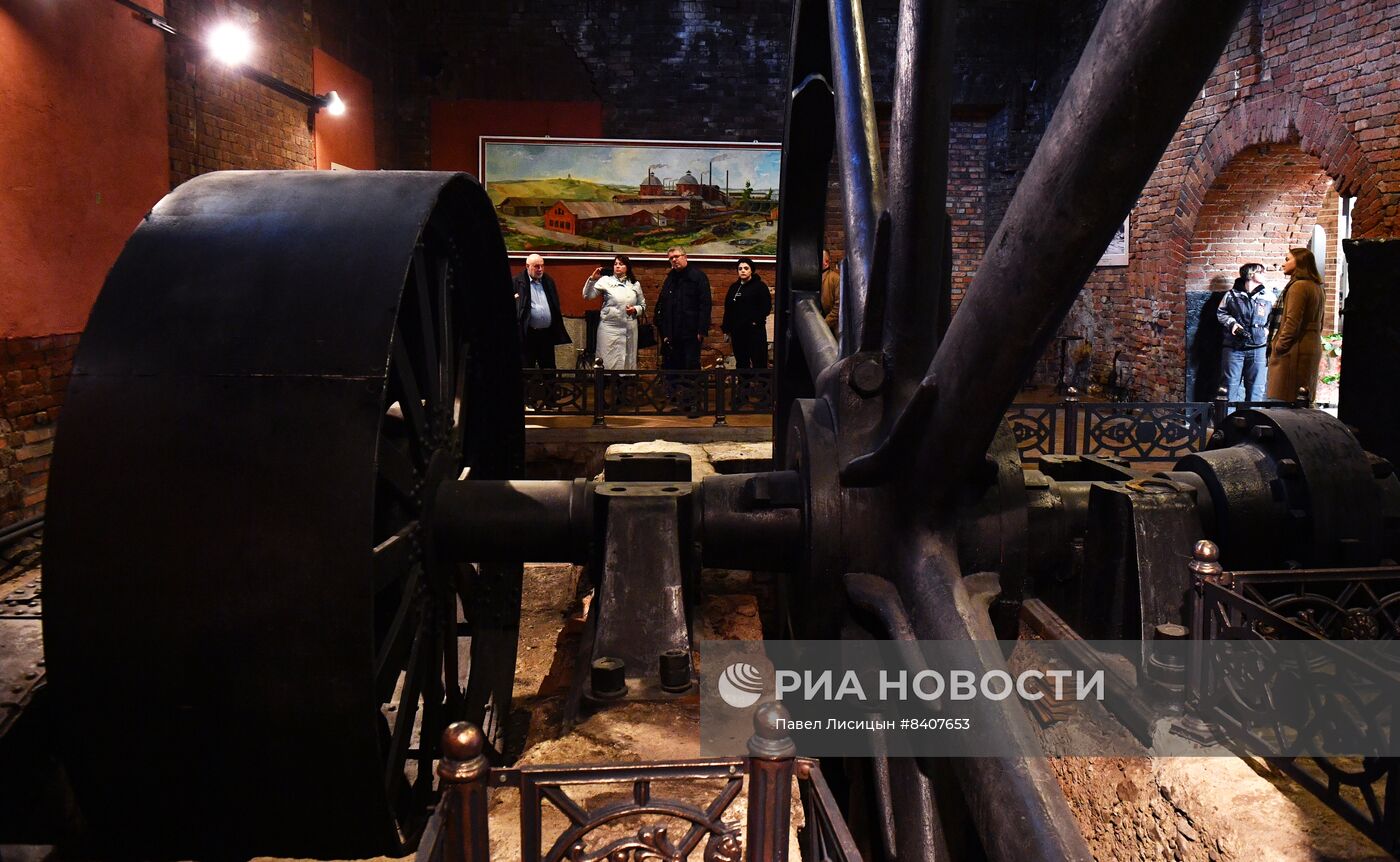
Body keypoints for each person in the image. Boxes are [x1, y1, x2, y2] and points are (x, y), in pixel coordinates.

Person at [1266, 247, 1326, 403]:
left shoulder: (1299, 286)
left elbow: (1292, 322)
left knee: (1286, 400)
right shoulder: (1317, 287)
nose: (1283, 264)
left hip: (1295, 349)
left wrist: (1279, 346)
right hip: (1310, 344)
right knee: (1303, 398)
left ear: (1299, 262)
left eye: (1287, 259)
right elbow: (1320, 323)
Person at [1216, 262, 1271, 403]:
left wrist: (1266, 330)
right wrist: (1232, 324)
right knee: (1228, 386)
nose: (1265, 274)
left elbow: (1276, 317)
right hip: (1234, 348)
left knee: (1256, 389)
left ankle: (1253, 422)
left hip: (1258, 348)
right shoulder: (1231, 295)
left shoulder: (1268, 296)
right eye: (1261, 272)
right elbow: (1221, 313)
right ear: (1251, 274)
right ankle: (1227, 421)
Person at [583, 255, 646, 370]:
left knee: (626, 361)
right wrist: (592, 280)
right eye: (615, 264)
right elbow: (587, 296)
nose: (617, 266)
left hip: (629, 328)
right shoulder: (605, 281)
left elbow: (642, 305)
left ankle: (623, 383)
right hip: (609, 327)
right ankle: (605, 383)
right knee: (607, 360)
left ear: (627, 267)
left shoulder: (635, 284)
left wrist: (635, 310)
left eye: (621, 264)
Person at [654, 247, 710, 370]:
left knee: (690, 365)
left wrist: (702, 330)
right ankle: (674, 389)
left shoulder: (698, 277)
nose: (674, 260)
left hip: (691, 330)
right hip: (672, 331)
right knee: (672, 365)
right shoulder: (670, 278)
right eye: (671, 258)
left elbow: (705, 304)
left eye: (676, 256)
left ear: (685, 257)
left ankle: (691, 389)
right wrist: (664, 330)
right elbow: (663, 303)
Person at [514, 254, 571, 368]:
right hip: (528, 334)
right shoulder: (517, 282)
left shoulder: (548, 281)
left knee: (549, 369)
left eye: (542, 266)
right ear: (527, 266)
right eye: (536, 266)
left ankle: (550, 386)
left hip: (546, 334)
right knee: (527, 369)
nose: (540, 269)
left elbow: (554, 304)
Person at [721, 257, 772, 370]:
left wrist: (755, 321)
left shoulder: (760, 286)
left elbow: (766, 307)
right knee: (741, 361)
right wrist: (726, 329)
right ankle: (744, 386)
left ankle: (761, 386)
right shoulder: (734, 287)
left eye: (746, 268)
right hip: (737, 331)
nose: (743, 271)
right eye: (740, 269)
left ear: (751, 270)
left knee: (759, 360)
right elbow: (728, 309)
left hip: (754, 331)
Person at [820, 249, 840, 334]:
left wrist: (824, 323)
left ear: (826, 262)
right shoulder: (813, 278)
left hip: (831, 327)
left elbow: (838, 307)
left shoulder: (835, 278)